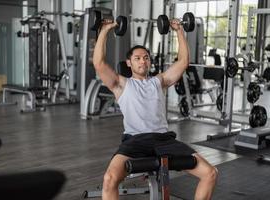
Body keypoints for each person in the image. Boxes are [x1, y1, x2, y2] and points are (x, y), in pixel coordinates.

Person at [93, 19, 218, 200]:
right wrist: (104, 30)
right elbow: (99, 63)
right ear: (129, 63)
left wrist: (179, 31)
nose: (143, 61)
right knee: (109, 179)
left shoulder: (159, 81)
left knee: (210, 173)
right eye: (137, 58)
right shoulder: (121, 84)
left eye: (146, 58)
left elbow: (183, 62)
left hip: (163, 140)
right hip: (135, 141)